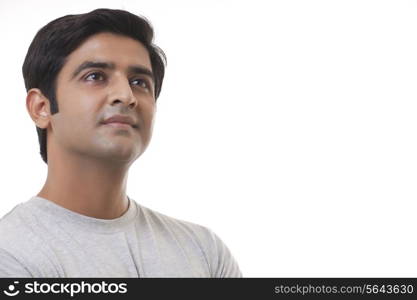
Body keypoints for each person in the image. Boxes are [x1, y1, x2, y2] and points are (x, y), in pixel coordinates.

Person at [0, 8, 242, 278]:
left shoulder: (204, 251)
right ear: (41, 107)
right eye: (95, 76)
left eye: (139, 82)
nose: (126, 96)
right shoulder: (10, 253)